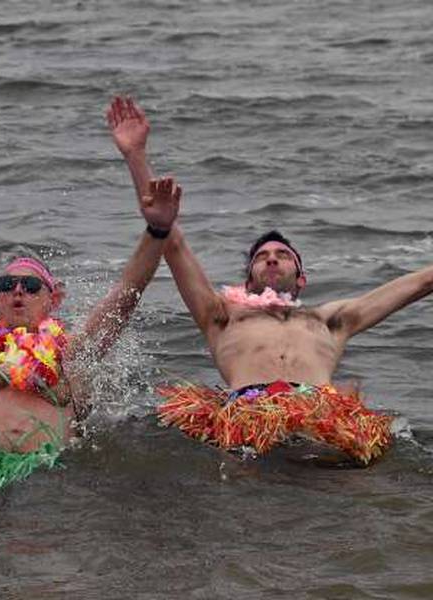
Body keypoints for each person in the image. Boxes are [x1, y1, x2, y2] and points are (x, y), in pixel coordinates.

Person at [106, 95, 431, 463]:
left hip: (321, 419)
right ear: (248, 282)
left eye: (282, 256)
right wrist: (136, 156)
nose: (272, 259)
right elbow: (170, 241)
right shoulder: (221, 315)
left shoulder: (330, 320)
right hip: (248, 417)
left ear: (301, 279)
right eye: (262, 257)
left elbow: (421, 282)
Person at [0, 166, 181, 455]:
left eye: (30, 285)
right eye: (8, 284)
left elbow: (125, 297)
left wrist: (157, 231)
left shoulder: (72, 354)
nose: (18, 291)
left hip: (51, 475)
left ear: (52, 301)